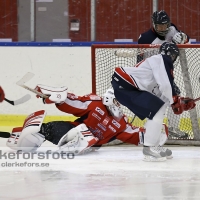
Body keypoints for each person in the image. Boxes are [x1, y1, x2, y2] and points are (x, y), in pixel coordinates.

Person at [6, 87, 169, 161]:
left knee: (86, 137)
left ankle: (79, 143)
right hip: (72, 131)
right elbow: (73, 102)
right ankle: (20, 138)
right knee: (47, 128)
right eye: (119, 102)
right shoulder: (94, 103)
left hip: (89, 144)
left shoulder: (122, 123)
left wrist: (159, 132)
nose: (121, 106)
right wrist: (58, 97)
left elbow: (140, 136)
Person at [111, 42, 196, 161]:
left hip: (125, 88)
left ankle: (154, 146)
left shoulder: (154, 71)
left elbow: (163, 97)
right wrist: (175, 100)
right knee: (157, 110)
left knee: (158, 109)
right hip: (125, 86)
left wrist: (179, 103)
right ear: (173, 56)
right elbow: (166, 85)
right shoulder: (163, 59)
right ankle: (149, 148)